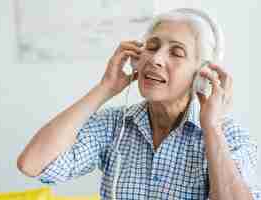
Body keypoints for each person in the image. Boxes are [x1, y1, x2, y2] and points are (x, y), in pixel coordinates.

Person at [17, 8, 260, 199]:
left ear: (201, 75)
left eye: (176, 53)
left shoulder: (229, 137)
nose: (155, 59)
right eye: (152, 47)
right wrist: (104, 89)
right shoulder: (116, 125)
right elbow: (32, 164)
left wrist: (212, 129)